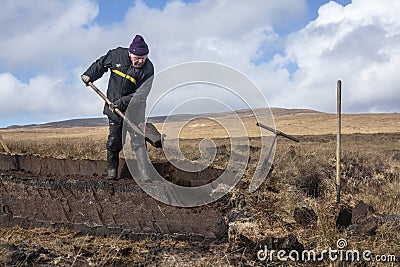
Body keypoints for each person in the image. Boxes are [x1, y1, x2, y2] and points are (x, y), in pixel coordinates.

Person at [81, 35, 154, 181]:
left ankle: (145, 174)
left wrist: (120, 103)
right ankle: (112, 171)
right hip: (113, 107)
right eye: (137, 58)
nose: (140, 61)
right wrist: (89, 75)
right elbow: (100, 64)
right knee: (114, 140)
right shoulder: (116, 56)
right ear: (130, 53)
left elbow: (140, 95)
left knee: (138, 140)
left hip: (135, 110)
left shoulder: (148, 69)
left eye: (143, 58)